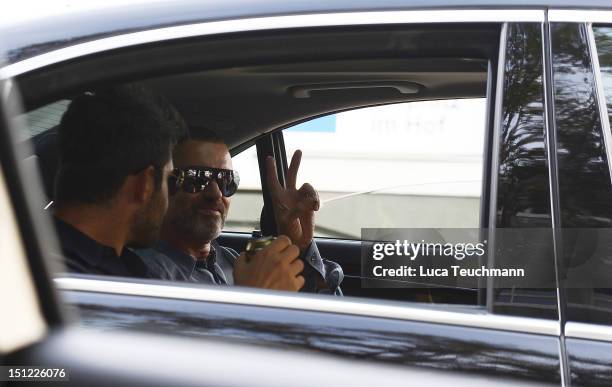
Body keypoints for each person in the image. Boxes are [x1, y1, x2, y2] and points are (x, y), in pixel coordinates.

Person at [138, 128, 343, 294]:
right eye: (197, 179)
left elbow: (327, 324)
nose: (215, 193)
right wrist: (253, 300)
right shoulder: (142, 277)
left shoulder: (235, 262)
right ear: (160, 186)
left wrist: (300, 247)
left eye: (225, 180)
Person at [52, 85, 185, 277]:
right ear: (145, 185)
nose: (170, 197)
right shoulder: (77, 278)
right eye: (170, 181)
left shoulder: (24, 255)